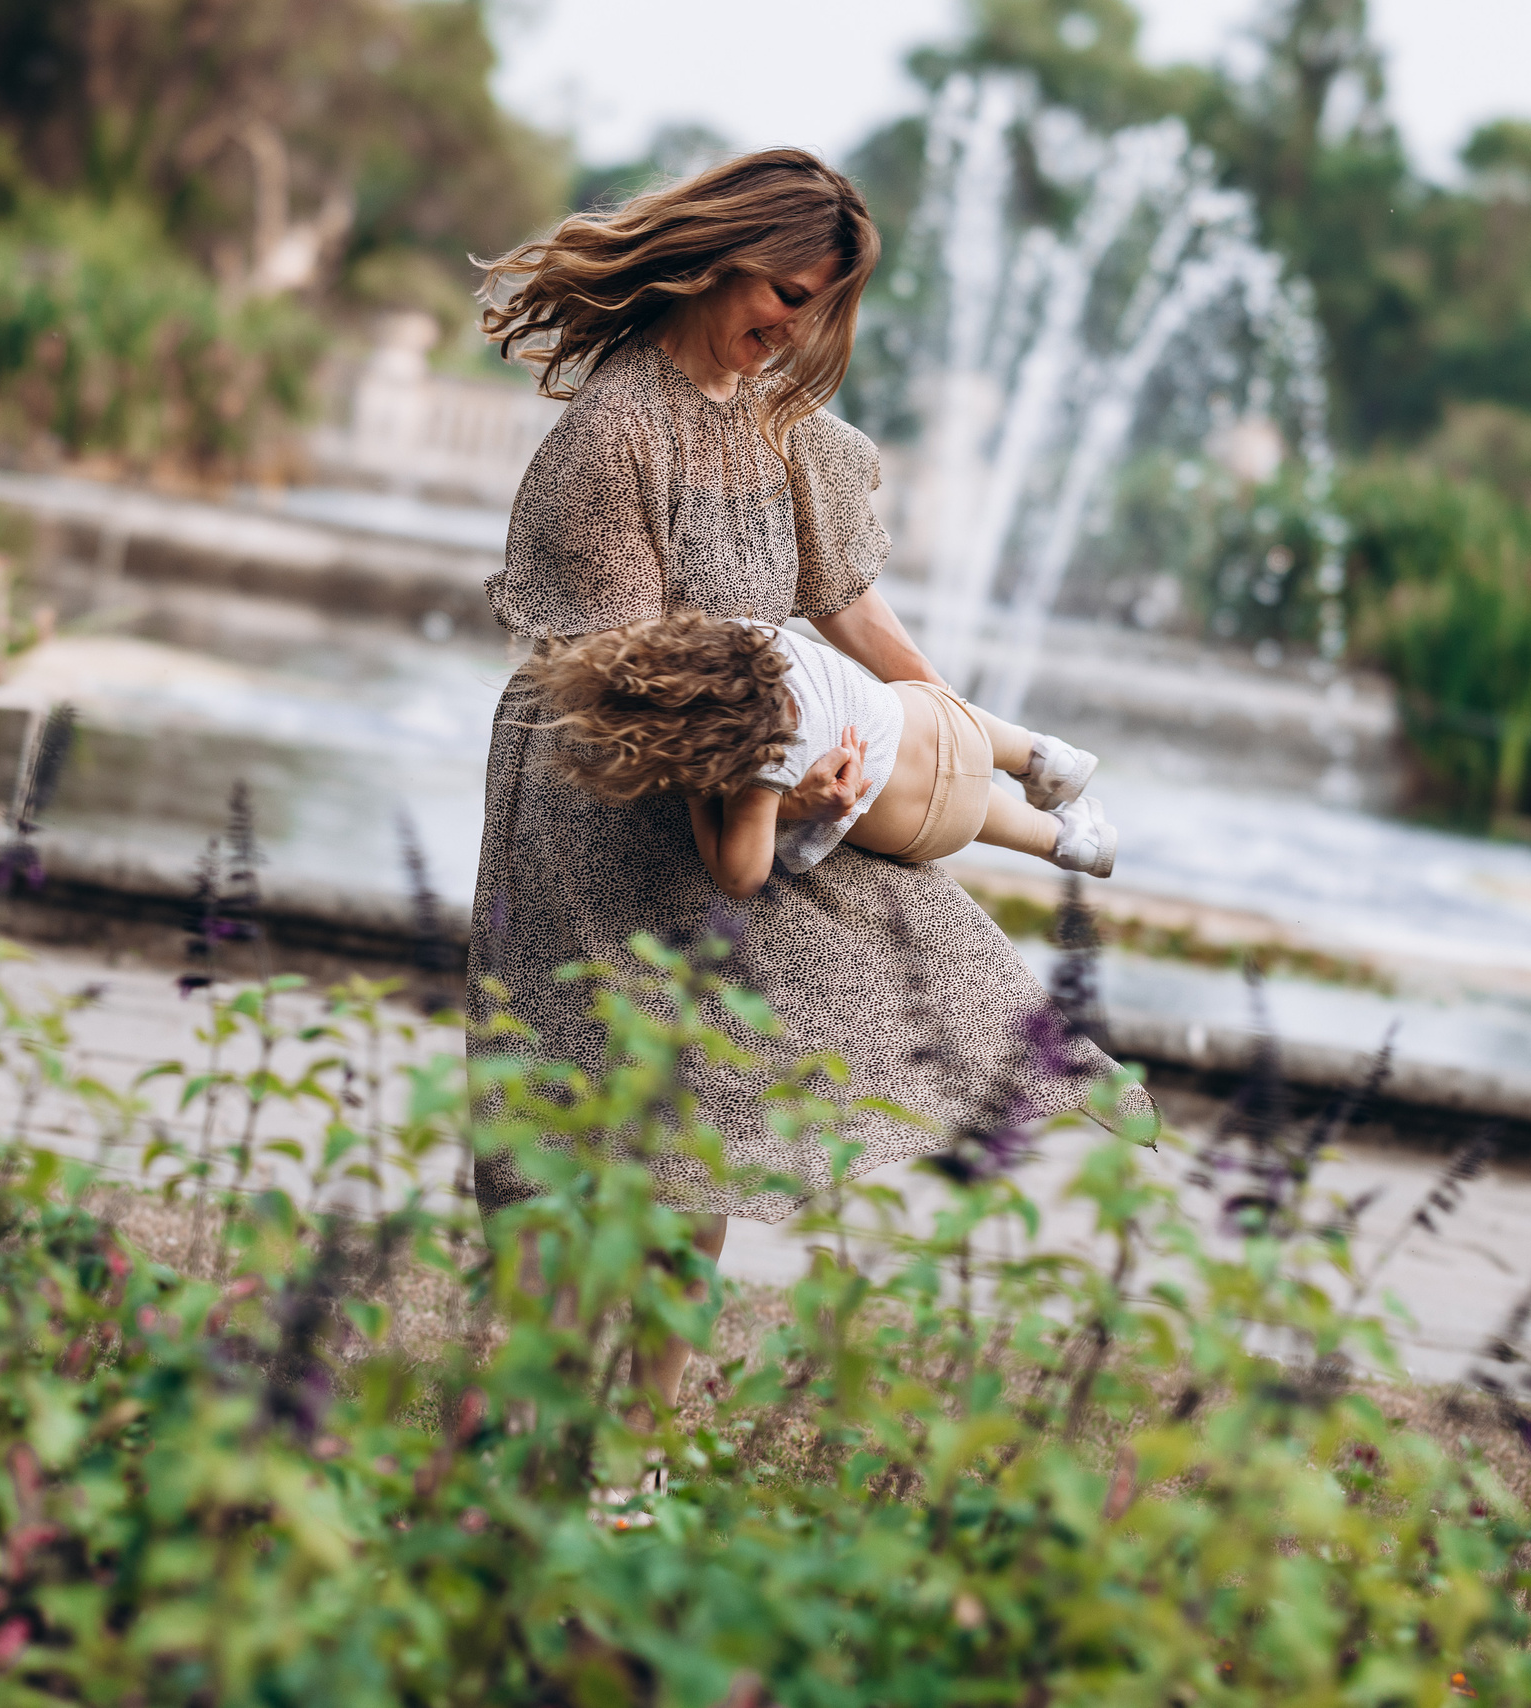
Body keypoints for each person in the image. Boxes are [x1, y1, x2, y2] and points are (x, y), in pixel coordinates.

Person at [471, 147, 1155, 1413]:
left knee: (707, 1126)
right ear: (715, 257)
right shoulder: (611, 439)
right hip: (603, 797)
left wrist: (937, 722)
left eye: (816, 305)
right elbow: (626, 687)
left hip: (745, 765)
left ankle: (641, 1437)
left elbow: (839, 595)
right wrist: (777, 788)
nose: (793, 325)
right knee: (577, 1123)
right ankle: (526, 1424)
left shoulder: (772, 419)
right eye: (783, 292)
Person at [519, 610, 1118, 897]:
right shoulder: (753, 635)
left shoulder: (763, 765)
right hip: (941, 721)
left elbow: (741, 876)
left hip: (927, 822)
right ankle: (1043, 756)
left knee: (981, 812)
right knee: (942, 721)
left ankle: (1064, 842)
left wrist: (701, 798)